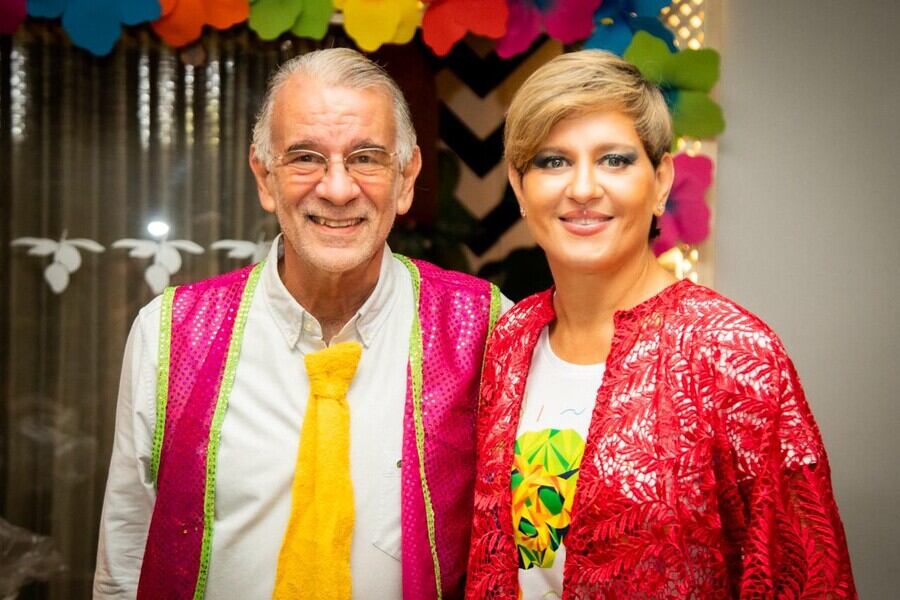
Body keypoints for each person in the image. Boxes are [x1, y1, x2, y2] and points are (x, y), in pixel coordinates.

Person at [94, 48, 506, 600]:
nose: (337, 189)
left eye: (366, 158)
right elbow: (125, 557)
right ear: (265, 177)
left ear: (406, 178)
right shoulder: (168, 334)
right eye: (305, 157)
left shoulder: (484, 327)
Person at [466, 50, 856, 599]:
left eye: (615, 160)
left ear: (661, 179)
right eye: (553, 161)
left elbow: (807, 580)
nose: (582, 188)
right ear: (519, 186)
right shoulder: (510, 341)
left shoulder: (733, 354)